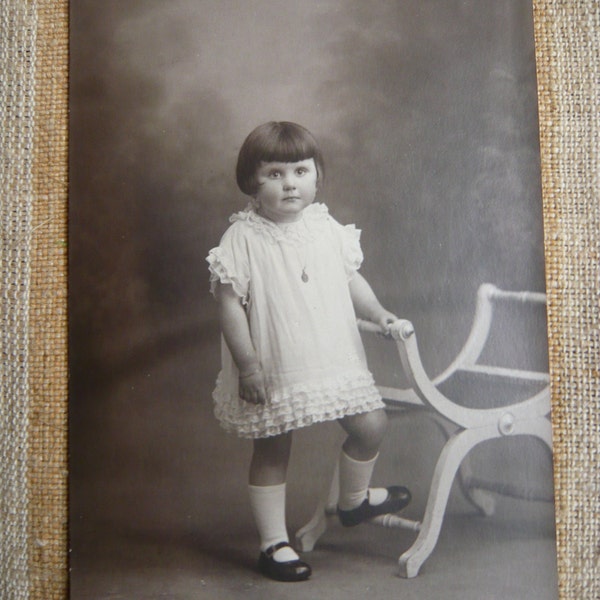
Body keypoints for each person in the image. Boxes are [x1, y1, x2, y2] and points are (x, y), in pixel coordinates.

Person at [206, 121, 410, 582]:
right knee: (274, 447)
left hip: (332, 355)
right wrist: (249, 367)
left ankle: (353, 502)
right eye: (274, 174)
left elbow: (350, 278)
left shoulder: (325, 226)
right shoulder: (243, 237)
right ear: (251, 183)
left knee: (371, 423)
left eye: (300, 171)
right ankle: (273, 542)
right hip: (274, 362)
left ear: (317, 176)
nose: (290, 184)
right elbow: (230, 308)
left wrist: (379, 314)